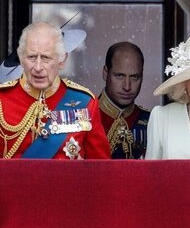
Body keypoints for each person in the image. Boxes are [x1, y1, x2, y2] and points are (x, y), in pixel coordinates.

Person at [0, 21, 110, 159]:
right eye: (31, 57)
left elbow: (100, 172)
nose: (38, 67)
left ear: (62, 60)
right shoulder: (2, 99)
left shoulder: (85, 103)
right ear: (21, 59)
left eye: (46, 58)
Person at [98, 41, 150, 159]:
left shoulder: (151, 121)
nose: (127, 86)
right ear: (106, 73)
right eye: (120, 76)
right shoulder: (86, 117)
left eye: (134, 77)